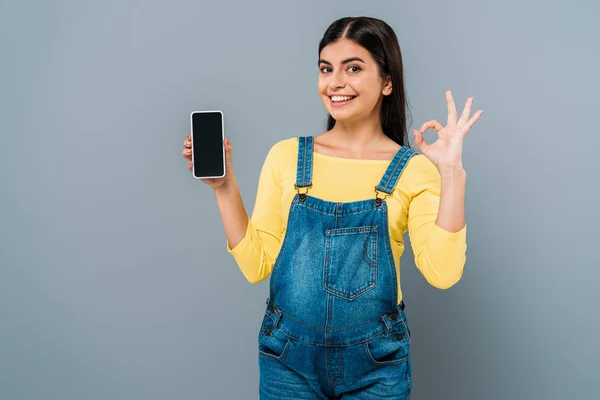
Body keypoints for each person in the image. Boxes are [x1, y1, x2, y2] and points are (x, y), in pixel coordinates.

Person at [182, 16, 482, 400]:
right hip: (287, 359)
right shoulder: (287, 156)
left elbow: (442, 273)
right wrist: (224, 188)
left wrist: (452, 173)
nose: (335, 82)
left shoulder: (414, 169)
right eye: (326, 69)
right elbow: (257, 265)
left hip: (376, 365)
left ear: (387, 81)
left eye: (353, 68)